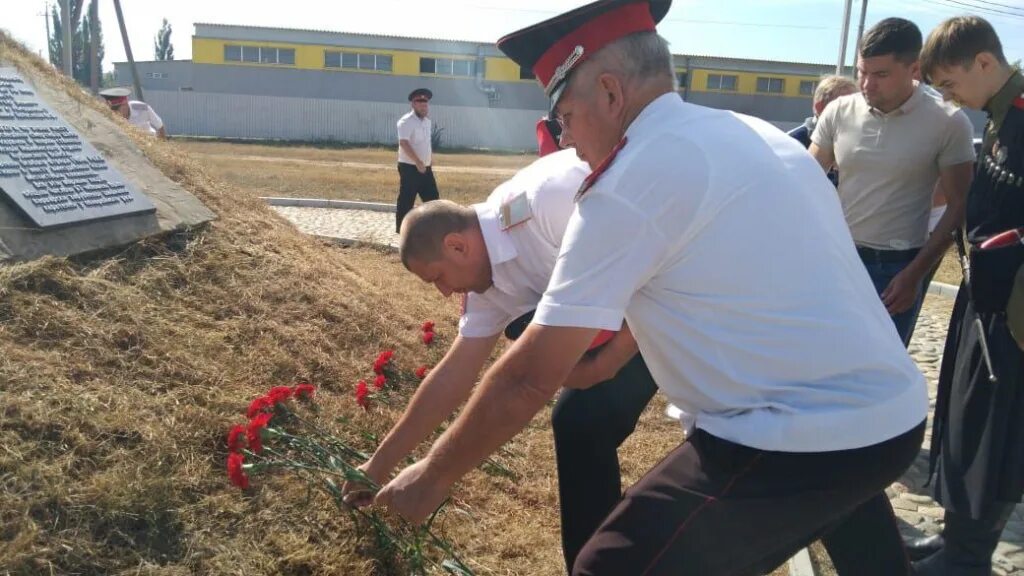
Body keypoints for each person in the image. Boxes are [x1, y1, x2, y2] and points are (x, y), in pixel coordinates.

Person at [373, 1, 928, 574]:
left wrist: (431, 477)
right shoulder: (750, 132)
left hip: (790, 429)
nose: (565, 140)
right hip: (888, 413)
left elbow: (527, 379)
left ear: (611, 94)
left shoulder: (628, 182)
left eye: (563, 116)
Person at [343, 133, 660, 573]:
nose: (444, 291)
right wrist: (377, 466)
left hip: (674, 287)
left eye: (438, 277)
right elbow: (453, 374)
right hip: (621, 306)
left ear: (457, 245)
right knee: (578, 422)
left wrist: (608, 362)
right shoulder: (484, 278)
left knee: (600, 419)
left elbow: (651, 259)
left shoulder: (548, 205)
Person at [900, 16, 1024, 575]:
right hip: (984, 300)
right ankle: (956, 540)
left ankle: (969, 558)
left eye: (949, 84)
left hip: (1014, 317)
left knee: (995, 436)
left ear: (984, 63)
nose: (948, 98)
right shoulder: (1000, 116)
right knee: (962, 419)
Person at [809, 18, 975, 346]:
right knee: (822, 358)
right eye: (861, 72)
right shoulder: (839, 111)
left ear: (914, 69)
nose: (867, 84)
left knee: (878, 369)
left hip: (898, 270)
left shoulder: (948, 121)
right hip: (836, 258)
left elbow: (960, 205)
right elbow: (806, 179)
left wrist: (915, 274)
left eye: (881, 74)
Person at [787, 75, 857, 187]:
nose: (853, 115)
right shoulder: (791, 144)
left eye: (855, 108)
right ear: (820, 108)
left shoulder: (857, 146)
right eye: (844, 109)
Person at [395, 88, 440, 233]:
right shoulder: (405, 121)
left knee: (433, 199)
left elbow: (426, 143)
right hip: (409, 167)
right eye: (419, 101)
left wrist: (429, 159)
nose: (423, 104)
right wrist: (418, 162)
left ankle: (436, 229)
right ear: (412, 104)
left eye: (425, 101)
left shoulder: (427, 122)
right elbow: (404, 143)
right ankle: (402, 230)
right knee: (406, 200)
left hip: (425, 167)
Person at [98, 87, 167, 139]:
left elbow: (160, 126)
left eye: (117, 109)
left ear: (125, 103)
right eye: (113, 110)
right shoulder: (109, 117)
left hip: (150, 142)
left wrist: (163, 146)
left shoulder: (142, 108)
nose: (115, 113)